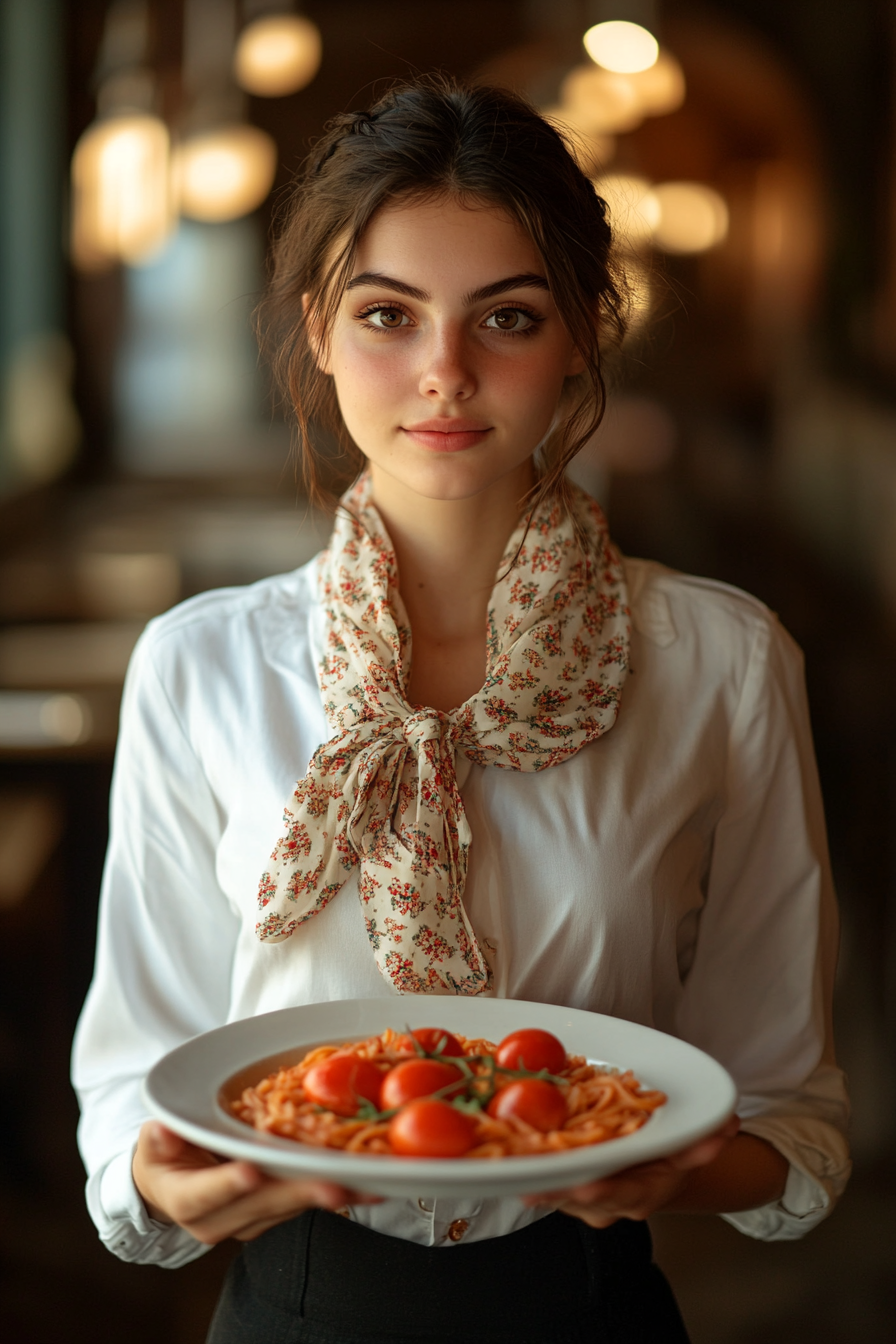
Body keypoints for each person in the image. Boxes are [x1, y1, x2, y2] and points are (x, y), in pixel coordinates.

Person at [72, 76, 850, 1343]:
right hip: (293, 1304)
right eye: (388, 314)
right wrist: (168, 1178)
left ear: (585, 333)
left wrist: (668, 1168)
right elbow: (134, 1082)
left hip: (585, 1304)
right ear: (319, 330)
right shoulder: (200, 663)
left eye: (506, 317)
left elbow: (787, 1111)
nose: (443, 374)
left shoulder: (723, 659)